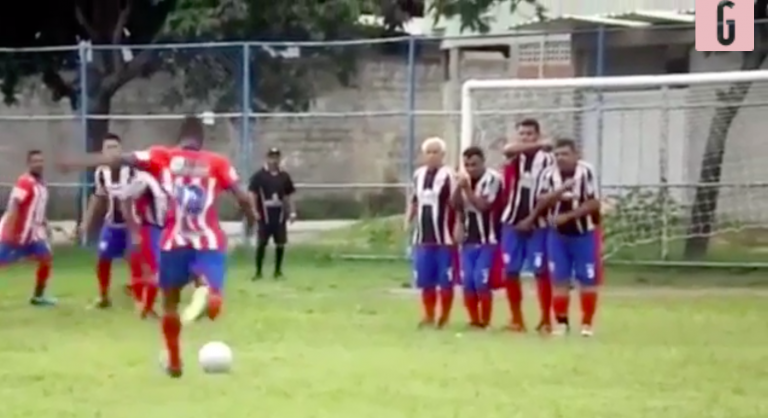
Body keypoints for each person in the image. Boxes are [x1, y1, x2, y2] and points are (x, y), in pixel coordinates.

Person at [58, 116, 257, 378]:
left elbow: (124, 159)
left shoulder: (163, 155)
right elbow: (243, 196)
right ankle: (211, 295)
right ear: (201, 140)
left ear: (179, 137)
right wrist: (251, 221)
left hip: (173, 241)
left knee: (170, 304)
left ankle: (174, 361)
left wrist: (77, 162)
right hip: (208, 241)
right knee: (211, 286)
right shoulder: (217, 162)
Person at [519, 138, 602, 337]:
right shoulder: (547, 174)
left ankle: (587, 324)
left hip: (584, 233)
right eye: (557, 154)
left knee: (587, 279)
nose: (560, 158)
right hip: (557, 235)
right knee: (559, 279)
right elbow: (541, 201)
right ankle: (562, 323)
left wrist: (570, 216)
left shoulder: (586, 171)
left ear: (576, 154)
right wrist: (561, 190)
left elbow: (594, 203)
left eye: (565, 154)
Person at [499, 118, 555, 333]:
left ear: (537, 134)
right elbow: (507, 149)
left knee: (541, 270)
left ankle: (546, 320)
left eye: (529, 134)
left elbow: (548, 195)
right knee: (510, 271)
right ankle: (517, 320)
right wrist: (540, 144)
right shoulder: (515, 155)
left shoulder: (548, 160)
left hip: (538, 224)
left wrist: (531, 219)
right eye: (521, 134)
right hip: (511, 222)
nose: (525, 138)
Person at [78, 133, 140, 308]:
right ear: (103, 152)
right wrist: (86, 222)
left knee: (135, 259)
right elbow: (98, 197)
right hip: (112, 224)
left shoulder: (133, 171)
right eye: (108, 148)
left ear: (121, 150)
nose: (112, 152)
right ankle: (103, 297)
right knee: (103, 258)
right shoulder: (101, 172)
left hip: (132, 224)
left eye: (115, 147)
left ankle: (140, 297)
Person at [405, 136, 456, 329]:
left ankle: (445, 316)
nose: (432, 156)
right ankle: (428, 315)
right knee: (425, 279)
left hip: (444, 237)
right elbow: (414, 200)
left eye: (436, 152)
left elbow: (457, 203)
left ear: (443, 155)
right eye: (429, 152)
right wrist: (408, 220)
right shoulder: (418, 175)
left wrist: (458, 226)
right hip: (423, 237)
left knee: (445, 279)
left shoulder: (450, 175)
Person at [452, 146, 502, 328]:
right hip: (468, 239)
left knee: (481, 280)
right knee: (467, 282)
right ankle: (474, 320)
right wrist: (458, 187)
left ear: (483, 162)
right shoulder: (465, 180)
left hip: (488, 239)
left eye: (474, 164)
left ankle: (485, 321)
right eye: (467, 165)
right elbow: (455, 204)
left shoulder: (493, 179)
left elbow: (483, 206)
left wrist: (467, 189)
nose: (470, 169)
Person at [0, 150, 55, 306]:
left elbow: (37, 209)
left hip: (33, 234)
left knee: (46, 258)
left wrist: (46, 224)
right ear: (29, 164)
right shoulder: (25, 181)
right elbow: (14, 204)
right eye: (35, 161)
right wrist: (10, 228)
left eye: (41, 161)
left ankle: (38, 296)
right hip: (16, 231)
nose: (39, 164)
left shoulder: (42, 185)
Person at [117, 169, 168, 318]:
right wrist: (134, 229)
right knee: (152, 270)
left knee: (148, 270)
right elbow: (125, 199)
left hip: (158, 228)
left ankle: (144, 306)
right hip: (147, 228)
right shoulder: (143, 179)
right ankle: (144, 307)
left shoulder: (165, 177)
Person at [248, 148, 296, 280]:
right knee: (262, 243)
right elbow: (252, 193)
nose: (274, 160)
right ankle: (258, 272)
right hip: (264, 216)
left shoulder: (284, 176)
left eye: (276, 157)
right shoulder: (259, 176)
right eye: (271, 157)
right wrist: (254, 210)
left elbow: (289, 195)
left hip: (279, 216)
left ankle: (278, 271)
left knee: (280, 243)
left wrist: (292, 211)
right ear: (267, 158)